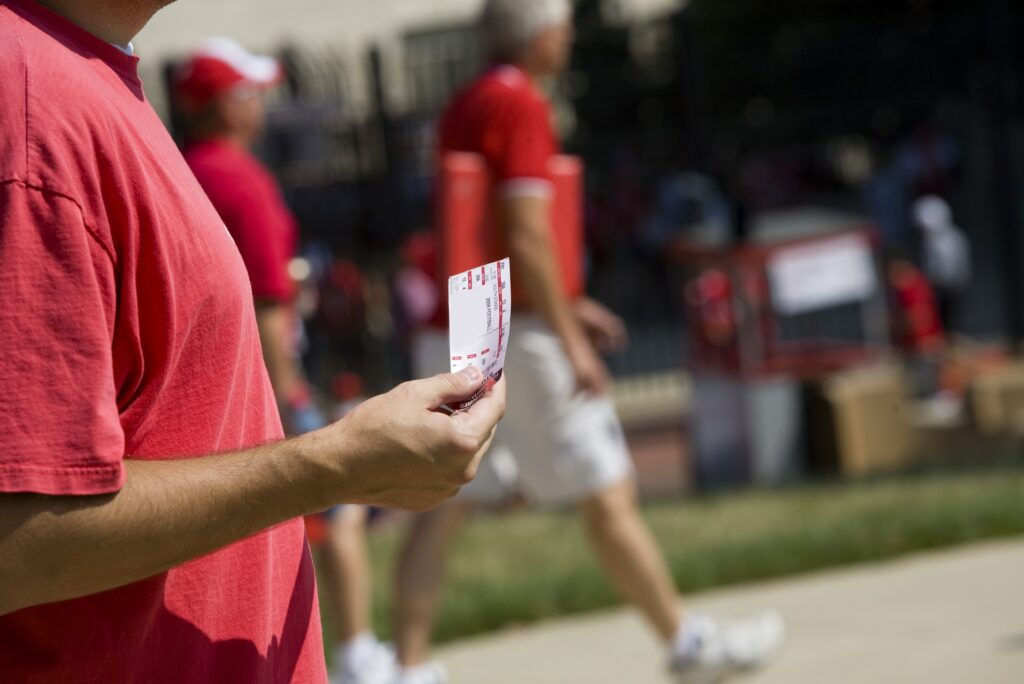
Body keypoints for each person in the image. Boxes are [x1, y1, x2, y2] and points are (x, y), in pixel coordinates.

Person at [0, 1, 505, 682]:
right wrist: (329, 461)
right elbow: (20, 538)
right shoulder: (34, 110)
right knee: (345, 527)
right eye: (251, 94)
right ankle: (365, 653)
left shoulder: (78, 81)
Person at [393, 2, 784, 683]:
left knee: (445, 502)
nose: (570, 36)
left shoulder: (468, 101)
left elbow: (484, 230)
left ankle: (404, 665)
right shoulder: (520, 105)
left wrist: (568, 302)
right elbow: (526, 229)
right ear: (543, 33)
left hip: (469, 314)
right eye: (565, 23)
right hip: (519, 328)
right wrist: (569, 335)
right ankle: (687, 643)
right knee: (606, 484)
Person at [172, 40, 396, 684]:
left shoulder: (184, 168)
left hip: (208, 378)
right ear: (230, 106)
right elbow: (271, 301)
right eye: (252, 93)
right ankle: (357, 656)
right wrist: (291, 391)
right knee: (339, 503)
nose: (261, 105)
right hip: (267, 373)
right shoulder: (245, 179)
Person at [912, 195, 970, 331]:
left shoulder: (951, 237)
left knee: (950, 313)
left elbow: (952, 265)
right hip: (937, 285)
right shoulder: (930, 240)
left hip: (949, 284)